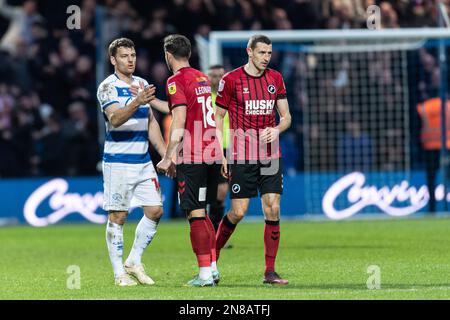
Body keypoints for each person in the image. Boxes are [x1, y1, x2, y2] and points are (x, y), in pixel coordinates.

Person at [97, 38, 174, 286]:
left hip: (142, 162)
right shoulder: (107, 87)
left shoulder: (142, 84)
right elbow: (115, 119)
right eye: (124, 56)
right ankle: (120, 273)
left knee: (155, 210)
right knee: (118, 217)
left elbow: (151, 122)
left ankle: (134, 261)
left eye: (132, 55)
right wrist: (137, 102)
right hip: (118, 162)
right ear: (113, 60)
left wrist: (165, 154)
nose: (130, 60)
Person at [214, 34, 292, 285]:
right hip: (240, 154)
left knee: (273, 207)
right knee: (238, 212)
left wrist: (277, 129)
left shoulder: (275, 79)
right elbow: (217, 118)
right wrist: (219, 152)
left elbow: (287, 116)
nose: (266, 58)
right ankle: (210, 262)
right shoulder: (231, 80)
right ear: (250, 51)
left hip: (270, 154)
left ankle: (270, 271)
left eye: (269, 53)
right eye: (262, 53)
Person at [156, 34, 221, 287]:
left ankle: (204, 276)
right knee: (203, 213)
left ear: (168, 55)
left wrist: (168, 156)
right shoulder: (202, 78)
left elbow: (180, 120)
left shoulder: (175, 81)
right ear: (189, 54)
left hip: (193, 155)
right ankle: (212, 268)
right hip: (212, 151)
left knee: (194, 214)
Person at [207, 65, 230, 234]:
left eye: (220, 76)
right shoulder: (205, 98)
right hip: (210, 148)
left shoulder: (230, 96)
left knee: (222, 191)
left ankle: (215, 232)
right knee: (214, 191)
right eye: (213, 76)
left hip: (230, 148)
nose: (217, 79)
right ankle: (211, 232)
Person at [417, 97, 450, 213]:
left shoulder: (425, 106)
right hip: (447, 146)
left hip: (430, 147)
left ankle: (432, 208)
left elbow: (418, 126)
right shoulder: (448, 105)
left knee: (431, 179)